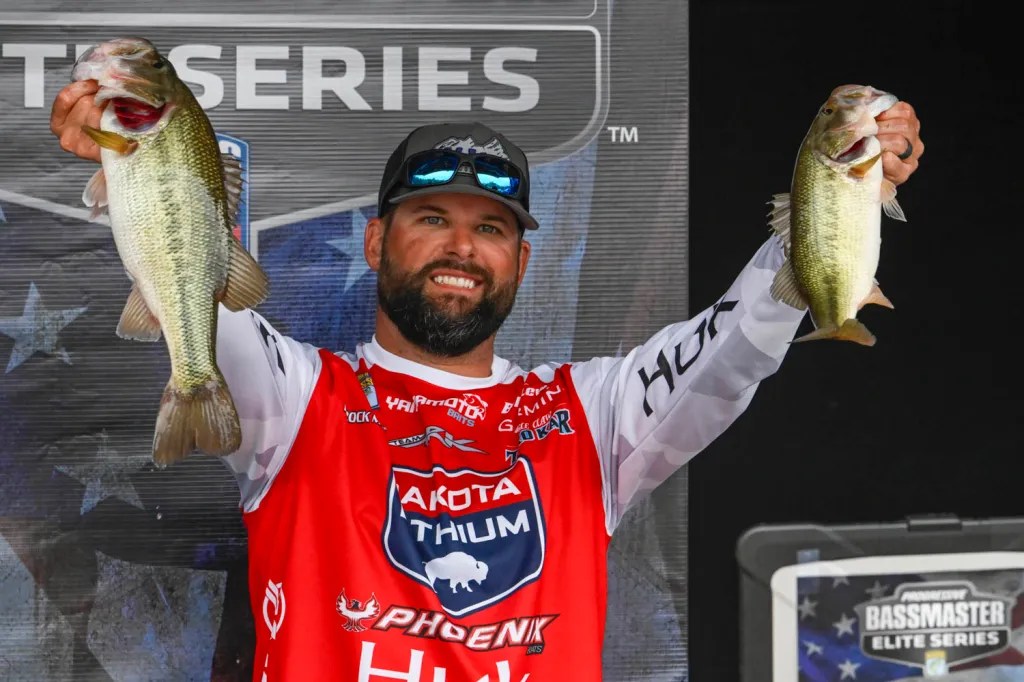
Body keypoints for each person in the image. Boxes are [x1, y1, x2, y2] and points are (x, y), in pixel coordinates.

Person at [50, 79, 923, 681]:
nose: (462, 247)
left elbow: (733, 345)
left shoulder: (591, 414)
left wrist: (842, 190)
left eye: (492, 227)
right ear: (375, 243)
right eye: (431, 217)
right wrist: (128, 151)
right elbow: (189, 280)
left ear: (522, 262)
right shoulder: (295, 395)